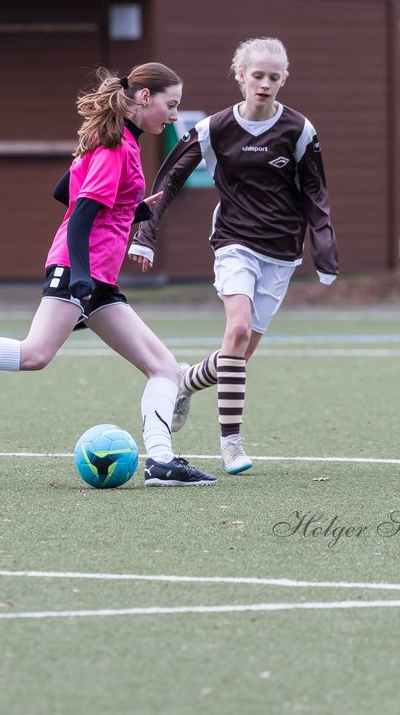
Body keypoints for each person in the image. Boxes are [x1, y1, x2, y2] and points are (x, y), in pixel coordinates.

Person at [0, 64, 218, 487]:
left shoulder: (118, 143)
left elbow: (63, 190)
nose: (174, 115)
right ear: (144, 99)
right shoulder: (117, 146)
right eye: (170, 105)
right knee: (34, 354)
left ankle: (160, 461)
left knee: (164, 368)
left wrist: (128, 209)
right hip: (79, 268)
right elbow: (81, 214)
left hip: (96, 275)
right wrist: (81, 277)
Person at [128, 37, 337, 474]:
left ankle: (183, 381)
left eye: (273, 77)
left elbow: (316, 194)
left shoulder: (300, 131)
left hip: (281, 253)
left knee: (236, 358)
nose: (264, 84)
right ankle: (232, 445)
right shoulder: (213, 129)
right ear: (240, 76)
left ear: (284, 80)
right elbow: (168, 182)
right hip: (234, 242)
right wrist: (145, 234)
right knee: (237, 329)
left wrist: (324, 248)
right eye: (256, 75)